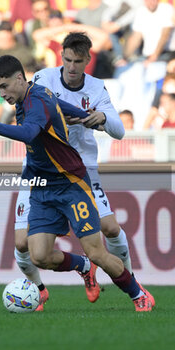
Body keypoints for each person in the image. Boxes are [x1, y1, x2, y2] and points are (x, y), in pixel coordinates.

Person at [0, 54, 154, 313]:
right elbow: (60, 104)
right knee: (39, 255)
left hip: (70, 184)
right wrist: (84, 115)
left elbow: (29, 132)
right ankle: (84, 266)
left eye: (4, 86)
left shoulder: (36, 100)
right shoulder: (33, 95)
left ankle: (137, 293)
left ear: (19, 78)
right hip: (42, 187)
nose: (1, 94)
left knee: (98, 251)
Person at [14, 32, 155, 310]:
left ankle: (131, 284)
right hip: (40, 170)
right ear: (61, 56)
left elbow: (119, 131)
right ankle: (44, 288)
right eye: (67, 59)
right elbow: (38, 113)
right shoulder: (44, 78)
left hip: (81, 169)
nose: (71, 66)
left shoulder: (97, 88)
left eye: (78, 61)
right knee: (23, 245)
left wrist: (103, 117)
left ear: (88, 60)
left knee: (110, 227)